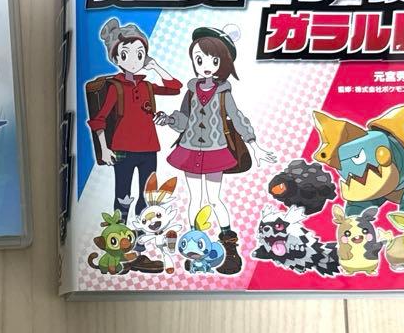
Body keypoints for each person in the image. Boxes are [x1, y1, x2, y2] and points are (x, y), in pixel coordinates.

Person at [155, 25, 275, 273]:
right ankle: (193, 245)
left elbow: (237, 117)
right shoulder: (191, 91)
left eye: (214, 60)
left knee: (213, 199)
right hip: (189, 149)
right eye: (199, 59)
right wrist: (168, 119)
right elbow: (183, 119)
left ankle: (229, 246)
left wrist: (255, 145)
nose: (205, 65)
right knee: (195, 199)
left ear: (223, 63)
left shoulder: (223, 92)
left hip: (214, 151)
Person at [87, 19, 182, 220]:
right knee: (123, 194)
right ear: (116, 59)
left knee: (147, 195)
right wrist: (104, 149)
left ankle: (142, 232)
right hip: (123, 149)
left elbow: (175, 88)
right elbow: (99, 119)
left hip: (149, 148)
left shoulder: (147, 86)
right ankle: (119, 232)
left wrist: (155, 66)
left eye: (139, 54)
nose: (133, 60)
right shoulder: (116, 87)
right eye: (125, 54)